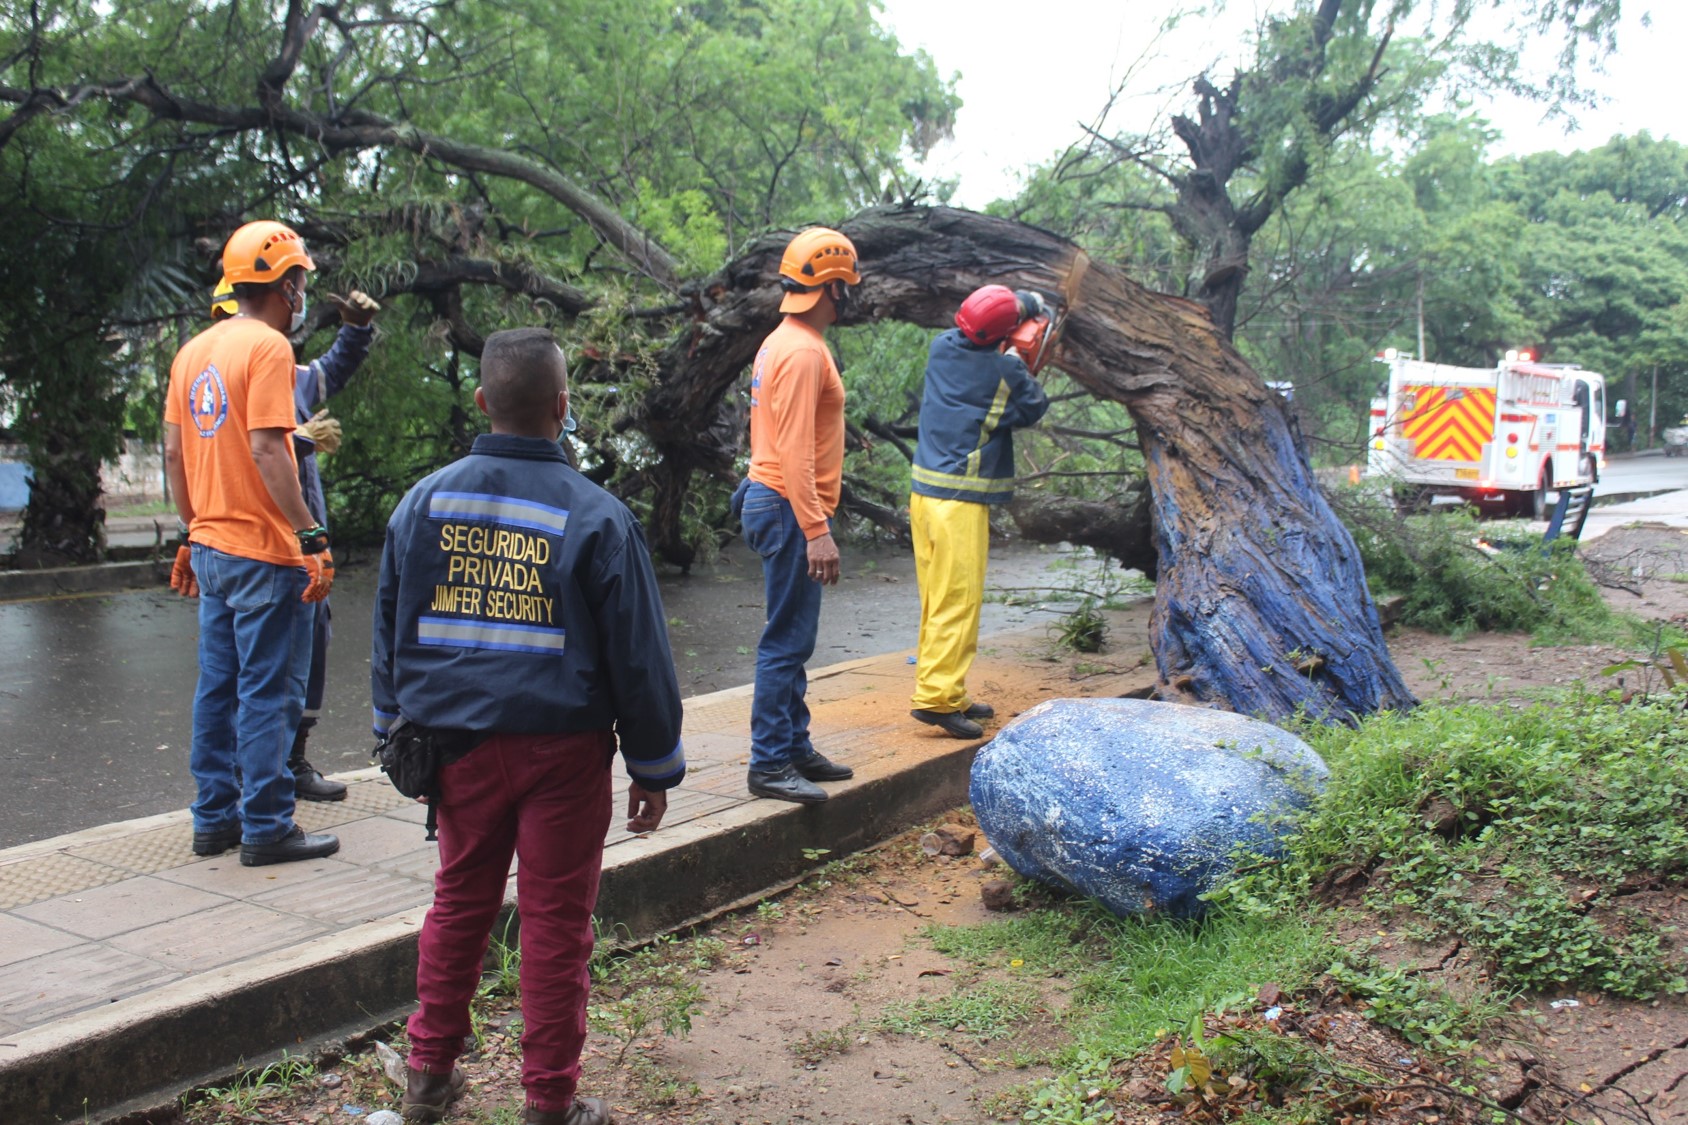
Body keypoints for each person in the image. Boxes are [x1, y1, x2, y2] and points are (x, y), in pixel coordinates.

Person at [373, 328, 685, 1125]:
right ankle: (550, 1101)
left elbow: (389, 630)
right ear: (562, 405)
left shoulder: (423, 504)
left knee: (458, 904)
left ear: (483, 401)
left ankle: (427, 1080)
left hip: (457, 753)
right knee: (555, 921)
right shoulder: (599, 516)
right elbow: (639, 658)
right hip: (564, 756)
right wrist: (654, 765)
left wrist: (391, 726)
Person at [163, 220, 341, 866]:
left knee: (217, 687)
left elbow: (175, 455)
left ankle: (214, 819)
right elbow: (269, 449)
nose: (303, 296)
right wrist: (310, 534)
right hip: (265, 551)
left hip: (212, 547)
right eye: (301, 283)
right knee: (269, 691)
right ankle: (266, 825)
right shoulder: (268, 348)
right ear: (286, 285)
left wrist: (193, 530)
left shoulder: (192, 352)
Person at [209, 280, 382, 801]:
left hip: (301, 548)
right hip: (258, 547)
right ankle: (256, 789)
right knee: (256, 675)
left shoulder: (285, 371)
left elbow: (329, 373)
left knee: (308, 655)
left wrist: (356, 331)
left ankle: (290, 762)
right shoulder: (219, 380)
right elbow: (240, 454)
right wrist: (298, 442)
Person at [738, 227, 861, 804]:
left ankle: (793, 745)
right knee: (786, 641)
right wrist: (817, 529)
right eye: (846, 286)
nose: (848, 296)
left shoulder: (780, 340)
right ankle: (769, 762)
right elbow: (792, 449)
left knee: (792, 636)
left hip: (773, 497)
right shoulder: (806, 350)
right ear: (832, 288)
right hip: (787, 504)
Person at [909, 284, 1051, 739]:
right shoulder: (1003, 371)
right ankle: (936, 699)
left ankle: (949, 690)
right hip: (959, 503)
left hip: (924, 496)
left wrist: (1019, 310)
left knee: (937, 600)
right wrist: (1020, 354)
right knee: (958, 601)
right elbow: (1034, 406)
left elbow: (990, 319)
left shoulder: (942, 347)